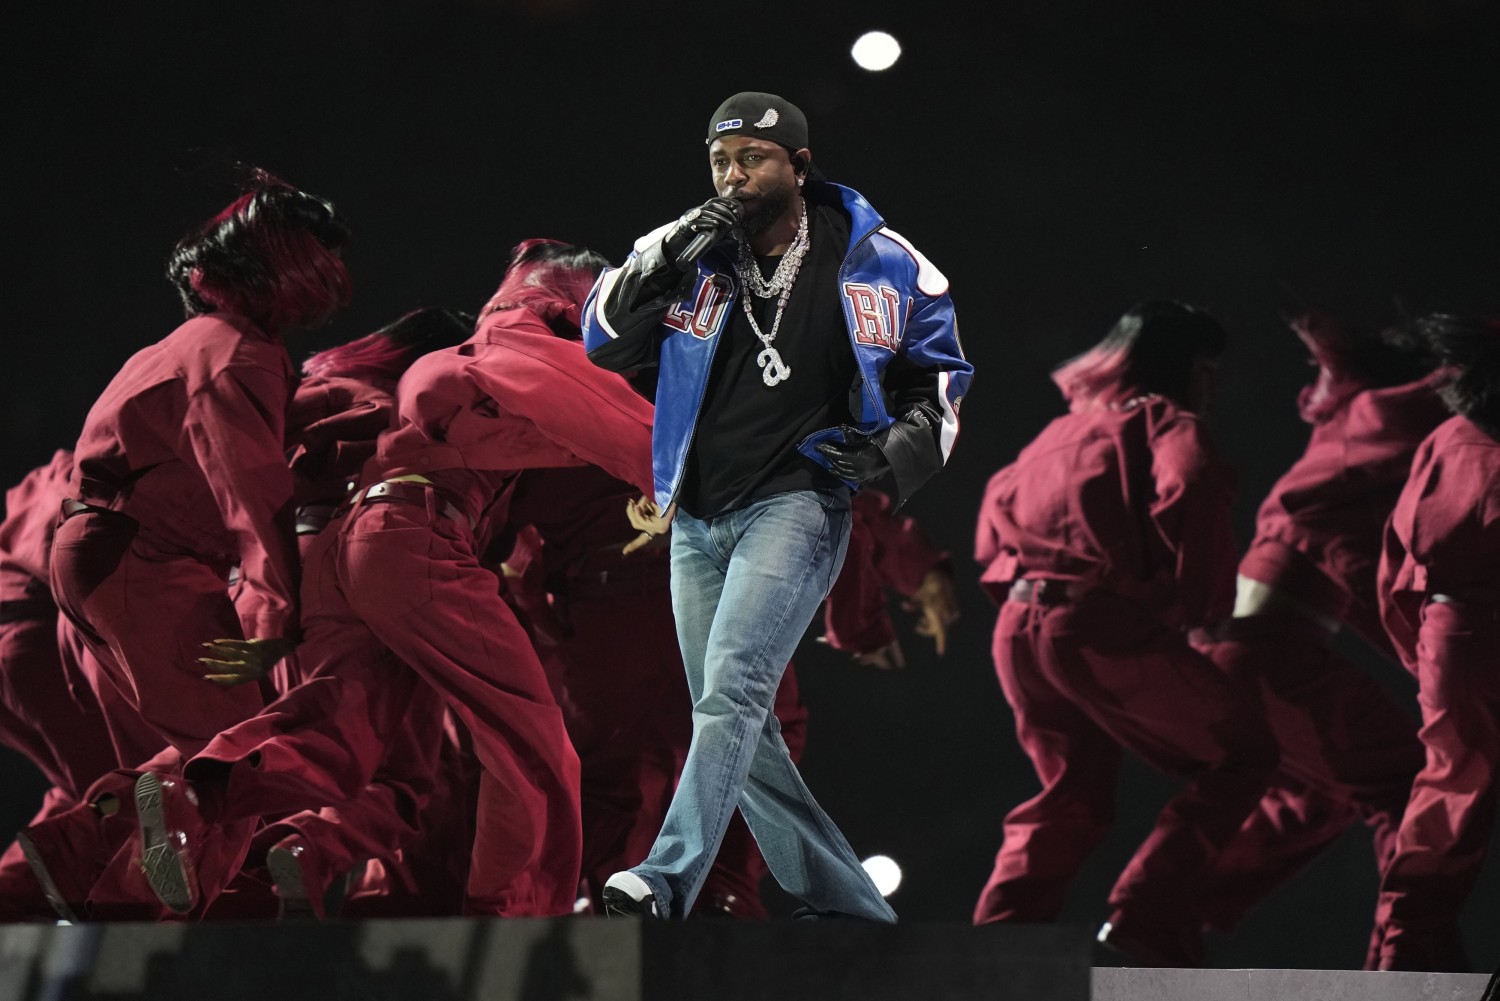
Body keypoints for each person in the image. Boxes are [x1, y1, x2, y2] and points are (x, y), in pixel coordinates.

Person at [138, 239, 655, 918]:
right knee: (526, 750)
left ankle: (197, 792)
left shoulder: (409, 375)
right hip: (411, 538)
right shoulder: (515, 335)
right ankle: (517, 917)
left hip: (342, 549)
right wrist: (681, 474)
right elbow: (619, 424)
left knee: (344, 738)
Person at [582, 91, 972, 921]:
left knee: (729, 694)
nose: (732, 175)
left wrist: (889, 452)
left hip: (796, 501)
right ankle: (854, 907)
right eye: (720, 160)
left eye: (751, 158)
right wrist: (673, 247)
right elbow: (602, 337)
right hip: (697, 513)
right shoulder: (691, 249)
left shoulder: (874, 253)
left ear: (797, 165)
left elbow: (939, 374)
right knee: (739, 722)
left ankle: (664, 878)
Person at [970, 301, 1277, 966]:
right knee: (1244, 754)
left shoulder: (1058, 431)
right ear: (1187, 370)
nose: (1215, 387)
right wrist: (1202, 607)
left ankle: (998, 943)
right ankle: (1144, 918)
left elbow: (994, 516)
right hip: (1096, 625)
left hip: (1020, 627)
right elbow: (1192, 482)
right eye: (1208, 371)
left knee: (1071, 794)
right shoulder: (1165, 420)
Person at [1196, 312, 1446, 965]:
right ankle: (1403, 963)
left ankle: (1179, 905)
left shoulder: (1343, 447)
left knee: (1321, 795)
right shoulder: (1362, 449)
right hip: (1266, 654)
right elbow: (1365, 575)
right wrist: (1436, 668)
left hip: (1240, 652)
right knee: (1404, 786)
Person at [1372, 313, 1500, 972]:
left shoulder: (1448, 439)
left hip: (1449, 633)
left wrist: (1425, 661)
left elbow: (1397, 573)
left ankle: (1399, 954)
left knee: (1448, 798)